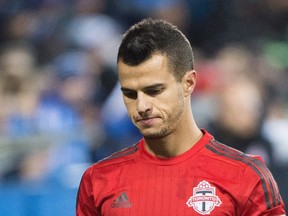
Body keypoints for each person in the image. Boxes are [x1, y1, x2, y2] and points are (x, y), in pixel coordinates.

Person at [76, 18, 286, 216]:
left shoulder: (246, 176)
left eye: (154, 90)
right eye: (130, 94)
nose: (141, 106)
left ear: (188, 83)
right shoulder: (98, 180)